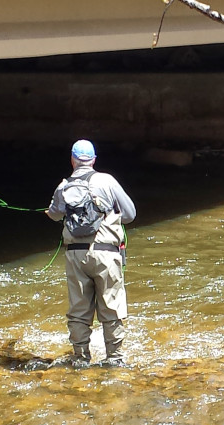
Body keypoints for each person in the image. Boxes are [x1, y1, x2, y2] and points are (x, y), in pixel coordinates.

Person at [46, 139, 136, 368]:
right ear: (94, 159)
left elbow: (56, 215)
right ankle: (114, 359)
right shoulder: (107, 180)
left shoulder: (63, 186)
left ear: (72, 160)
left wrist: (51, 213)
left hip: (75, 256)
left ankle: (80, 358)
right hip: (106, 253)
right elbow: (130, 215)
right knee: (111, 306)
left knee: (78, 309)